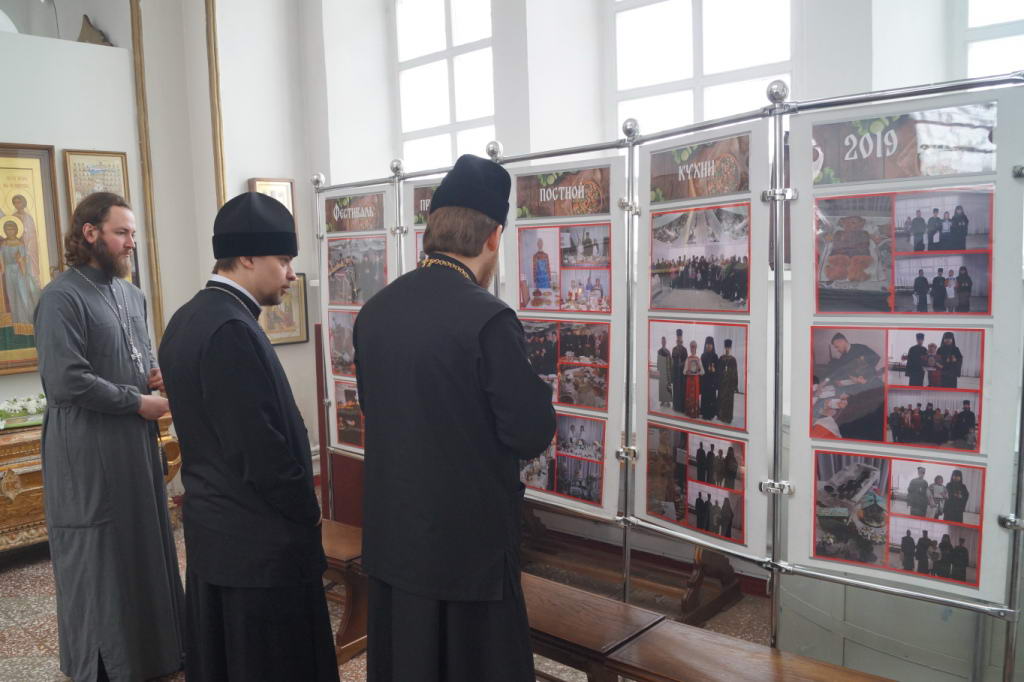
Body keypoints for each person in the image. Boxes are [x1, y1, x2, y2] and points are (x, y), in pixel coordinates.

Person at [353, 155, 556, 681]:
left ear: (433, 229)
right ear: (493, 236)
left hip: (395, 537)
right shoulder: (488, 318)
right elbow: (530, 431)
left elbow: (375, 408)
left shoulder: (375, 311)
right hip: (467, 551)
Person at [159, 193, 337, 681]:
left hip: (221, 537)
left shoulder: (189, 317)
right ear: (246, 257)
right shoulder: (230, 329)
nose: (291, 274)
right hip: (259, 548)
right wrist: (306, 508)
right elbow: (258, 449)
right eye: (283, 260)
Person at [33, 192, 184, 681]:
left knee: (144, 542)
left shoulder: (131, 294)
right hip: (86, 448)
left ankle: (157, 653)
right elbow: (66, 381)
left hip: (133, 444)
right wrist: (138, 402)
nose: (131, 243)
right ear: (90, 233)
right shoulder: (61, 297)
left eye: (133, 234)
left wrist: (157, 375)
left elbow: (141, 355)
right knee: (100, 553)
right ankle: (108, 665)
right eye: (122, 233)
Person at [1, 218, 41, 325]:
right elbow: (1, 260)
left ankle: (27, 319)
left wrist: (20, 261)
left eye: (12, 229)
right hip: (8, 273)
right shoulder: (3, 244)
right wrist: (2, 270)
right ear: (4, 231)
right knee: (12, 294)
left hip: (20, 271)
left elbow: (24, 259)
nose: (10, 231)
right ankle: (16, 320)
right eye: (7, 229)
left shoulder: (20, 244)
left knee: (22, 294)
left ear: (16, 230)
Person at [717, 338, 738, 424]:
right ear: (724, 348)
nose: (727, 349)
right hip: (722, 383)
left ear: (730, 348)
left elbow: (735, 373)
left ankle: (728, 417)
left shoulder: (733, 360)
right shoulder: (721, 358)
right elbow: (718, 371)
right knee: (721, 399)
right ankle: (721, 416)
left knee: (729, 401)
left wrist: (735, 385)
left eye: (729, 348)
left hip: (729, 384)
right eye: (726, 347)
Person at [699, 336, 719, 421]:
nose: (708, 346)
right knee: (705, 397)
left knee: (711, 397)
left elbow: (718, 370)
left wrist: (714, 370)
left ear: (712, 345)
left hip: (712, 381)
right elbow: (700, 369)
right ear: (705, 345)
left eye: (710, 344)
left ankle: (711, 414)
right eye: (707, 344)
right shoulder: (703, 356)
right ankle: (704, 413)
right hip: (705, 380)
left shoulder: (715, 356)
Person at [683, 340, 703, 418]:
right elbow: (684, 371)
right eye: (691, 347)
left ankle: (695, 412)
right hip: (689, 380)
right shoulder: (688, 359)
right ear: (690, 348)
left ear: (696, 348)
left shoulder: (698, 359)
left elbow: (703, 372)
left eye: (694, 347)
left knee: (695, 396)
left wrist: (698, 370)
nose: (693, 348)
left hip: (695, 380)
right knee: (689, 395)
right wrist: (687, 371)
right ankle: (689, 411)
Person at [670, 329, 687, 414]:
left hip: (682, 373)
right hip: (676, 373)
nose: (679, 338)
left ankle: (681, 407)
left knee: (682, 390)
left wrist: (682, 364)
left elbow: (686, 361)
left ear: (682, 338)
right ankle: (676, 407)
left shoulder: (684, 349)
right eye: (678, 337)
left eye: (680, 337)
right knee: (676, 390)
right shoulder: (674, 349)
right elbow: (673, 361)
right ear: (676, 338)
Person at [656, 336, 672, 407]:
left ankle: (668, 401)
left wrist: (670, 370)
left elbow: (670, 361)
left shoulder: (668, 351)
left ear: (666, 342)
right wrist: (658, 370)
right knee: (662, 386)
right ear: (661, 342)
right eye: (662, 341)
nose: (663, 342)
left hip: (667, 370)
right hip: (662, 371)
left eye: (664, 341)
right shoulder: (659, 351)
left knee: (668, 385)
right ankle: (662, 400)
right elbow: (658, 361)